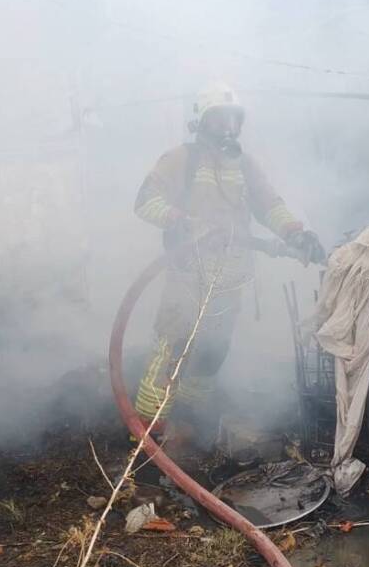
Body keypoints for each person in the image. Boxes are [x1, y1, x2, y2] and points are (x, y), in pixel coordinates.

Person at [133, 83, 324, 436]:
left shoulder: (244, 166)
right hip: (188, 277)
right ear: (201, 123)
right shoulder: (180, 160)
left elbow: (270, 205)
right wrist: (180, 221)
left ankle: (187, 427)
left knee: (211, 354)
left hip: (231, 278)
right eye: (219, 120)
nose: (229, 129)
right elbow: (145, 201)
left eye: (234, 121)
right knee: (173, 350)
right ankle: (146, 437)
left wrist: (295, 233)